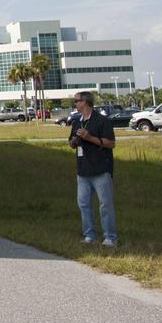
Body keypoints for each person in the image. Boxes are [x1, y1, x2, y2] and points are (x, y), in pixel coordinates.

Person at [69, 91, 117, 247]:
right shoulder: (77, 122)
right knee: (83, 204)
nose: (75, 103)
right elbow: (71, 142)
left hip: (100, 169)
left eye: (76, 101)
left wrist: (89, 138)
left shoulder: (102, 121)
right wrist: (74, 142)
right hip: (83, 170)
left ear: (85, 102)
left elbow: (111, 143)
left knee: (105, 204)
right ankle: (89, 235)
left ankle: (110, 237)